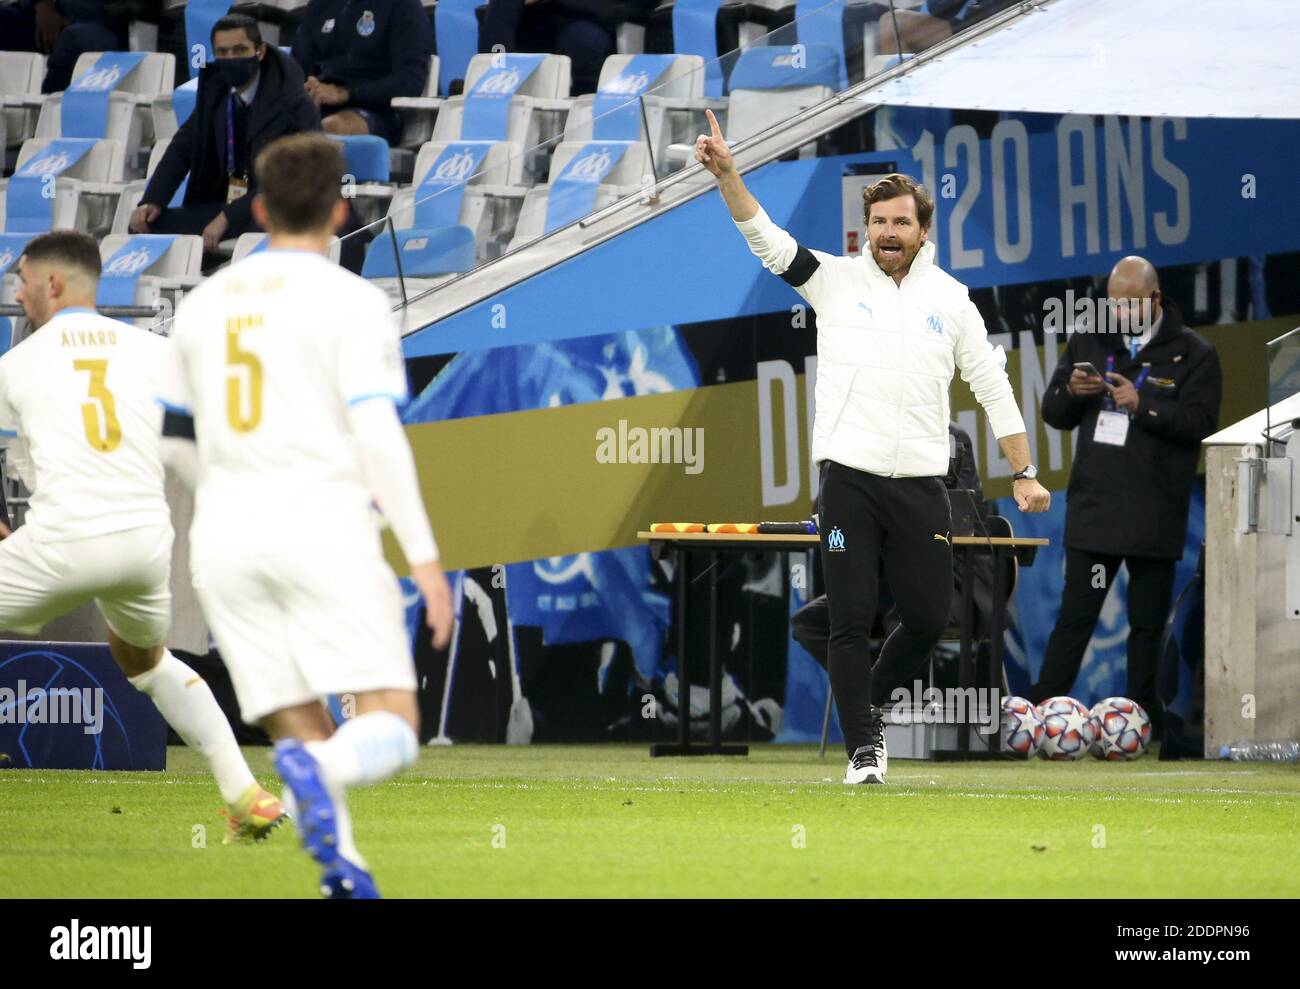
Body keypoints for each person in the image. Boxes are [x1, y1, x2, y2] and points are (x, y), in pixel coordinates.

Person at [697, 110, 1050, 784]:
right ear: (868, 230)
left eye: (900, 223)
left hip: (922, 488)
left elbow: (993, 386)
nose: (888, 233)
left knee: (925, 615)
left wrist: (1024, 471)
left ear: (923, 231)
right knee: (851, 616)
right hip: (847, 484)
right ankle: (865, 749)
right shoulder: (834, 280)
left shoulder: (953, 301)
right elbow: (767, 241)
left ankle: (869, 709)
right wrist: (728, 175)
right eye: (879, 223)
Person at [158, 133, 454, 899]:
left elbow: (175, 440)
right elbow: (378, 435)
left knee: (301, 722)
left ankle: (343, 876)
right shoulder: (352, 301)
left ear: (257, 209)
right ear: (341, 209)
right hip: (322, 526)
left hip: (223, 541)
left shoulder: (202, 303)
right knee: (389, 721)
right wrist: (424, 555)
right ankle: (314, 778)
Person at [0, 229, 286, 843]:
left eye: (22, 279)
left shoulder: (15, 365)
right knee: (147, 663)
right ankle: (243, 792)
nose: (17, 292)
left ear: (53, 284)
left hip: (63, 539)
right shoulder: (157, 354)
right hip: (143, 542)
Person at [1034, 256, 1222, 733]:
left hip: (1154, 513)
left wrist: (1144, 405)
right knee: (1076, 617)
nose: (1118, 312)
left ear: (1155, 300)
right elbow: (1054, 413)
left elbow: (1201, 424)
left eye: (1129, 303)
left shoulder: (1194, 353)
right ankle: (1040, 715)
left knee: (1145, 627)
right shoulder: (1090, 339)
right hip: (1096, 511)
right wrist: (1073, 392)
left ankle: (1145, 723)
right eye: (1113, 303)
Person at [792, 423, 999, 680]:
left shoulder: (949, 439)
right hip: (884, 581)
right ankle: (868, 694)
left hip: (953, 579)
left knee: (905, 622)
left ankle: (882, 697)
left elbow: (958, 519)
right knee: (808, 623)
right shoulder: (864, 440)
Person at [129, 14, 321, 254]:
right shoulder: (216, 90)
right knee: (145, 227)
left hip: (279, 208)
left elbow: (293, 178)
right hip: (228, 203)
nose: (231, 58)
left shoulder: (292, 101)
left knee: (258, 230)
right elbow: (181, 149)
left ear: (259, 52)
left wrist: (229, 217)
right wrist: (153, 200)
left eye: (239, 50)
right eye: (223, 52)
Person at [291, 0, 432, 142]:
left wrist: (347, 93)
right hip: (318, 106)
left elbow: (410, 80)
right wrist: (307, 92)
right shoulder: (319, 5)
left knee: (330, 128)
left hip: (376, 111)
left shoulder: (403, 5)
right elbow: (295, 69)